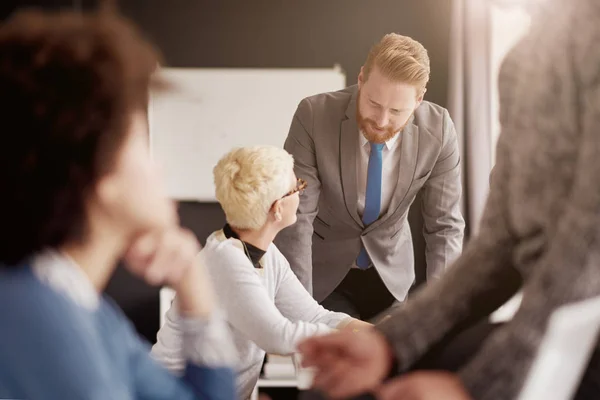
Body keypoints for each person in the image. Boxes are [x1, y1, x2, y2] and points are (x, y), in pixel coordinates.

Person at [297, 0, 600, 399]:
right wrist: (391, 344)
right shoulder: (521, 63)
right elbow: (499, 243)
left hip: (580, 325)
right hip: (549, 320)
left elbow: (590, 246)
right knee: (332, 390)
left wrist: (475, 388)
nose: (383, 119)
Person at [0, 8, 237, 400]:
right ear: (99, 175)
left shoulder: (86, 310)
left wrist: (193, 283)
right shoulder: (35, 313)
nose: (159, 166)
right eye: (144, 143)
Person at [152, 146, 371, 400]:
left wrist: (373, 333)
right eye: (297, 187)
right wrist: (354, 341)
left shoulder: (266, 254)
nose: (302, 192)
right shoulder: (226, 260)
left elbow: (313, 315)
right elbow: (277, 336)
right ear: (277, 208)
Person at [275, 33, 465, 322]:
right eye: (374, 103)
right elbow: (298, 217)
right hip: (324, 278)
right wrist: (300, 311)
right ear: (361, 79)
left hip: (393, 279)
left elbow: (445, 226)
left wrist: (438, 314)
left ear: (419, 99)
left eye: (397, 111)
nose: (382, 120)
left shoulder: (439, 130)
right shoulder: (313, 116)